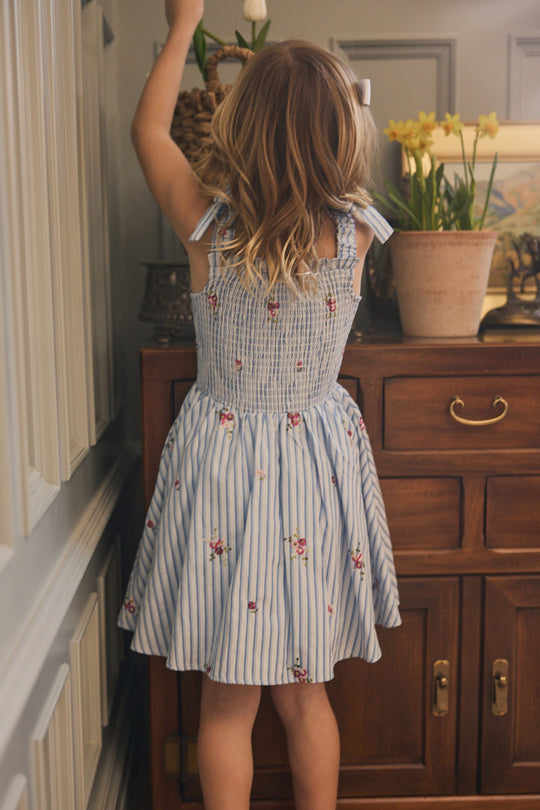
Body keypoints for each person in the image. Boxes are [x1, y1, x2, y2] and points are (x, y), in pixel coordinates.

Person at [118, 2, 401, 808]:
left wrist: (183, 27)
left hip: (222, 467)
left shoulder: (208, 230)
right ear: (342, 135)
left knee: (226, 700)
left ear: (243, 130)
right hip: (314, 465)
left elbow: (149, 134)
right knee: (307, 695)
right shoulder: (357, 236)